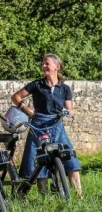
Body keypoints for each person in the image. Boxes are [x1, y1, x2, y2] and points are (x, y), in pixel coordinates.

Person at [11, 53, 82, 196]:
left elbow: (70, 108)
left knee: (70, 159)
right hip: (38, 126)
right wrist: (28, 111)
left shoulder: (65, 88)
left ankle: (79, 196)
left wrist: (70, 112)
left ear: (57, 66)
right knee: (37, 161)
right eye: (43, 63)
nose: (44, 66)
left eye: (47, 63)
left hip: (57, 125)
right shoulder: (37, 85)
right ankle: (44, 199)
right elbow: (15, 97)